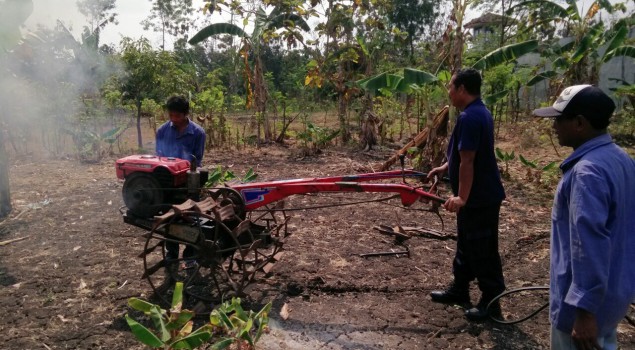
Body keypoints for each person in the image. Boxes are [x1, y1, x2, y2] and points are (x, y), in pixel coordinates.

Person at [533, 85, 635, 350]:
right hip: (613, 297)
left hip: (582, 314)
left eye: (558, 120)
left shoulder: (586, 173)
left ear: (579, 123)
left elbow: (588, 245)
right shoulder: (621, 159)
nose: (554, 127)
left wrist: (584, 311)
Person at [427, 68, 506, 321]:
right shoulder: (477, 112)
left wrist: (461, 197)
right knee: (466, 244)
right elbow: (463, 154)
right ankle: (460, 289)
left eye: (451, 86)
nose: (448, 92)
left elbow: (469, 161)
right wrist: (444, 166)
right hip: (477, 195)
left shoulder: (470, 118)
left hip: (479, 197)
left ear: (461, 89)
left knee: (482, 248)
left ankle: (491, 302)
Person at [156, 95, 206, 267]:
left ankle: (190, 254)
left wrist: (183, 168)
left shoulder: (198, 133)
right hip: (167, 183)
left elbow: (196, 160)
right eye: (171, 115)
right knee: (170, 218)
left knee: (191, 218)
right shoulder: (162, 131)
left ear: (186, 114)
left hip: (189, 181)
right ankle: (172, 253)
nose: (173, 119)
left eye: (177, 116)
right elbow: (159, 158)